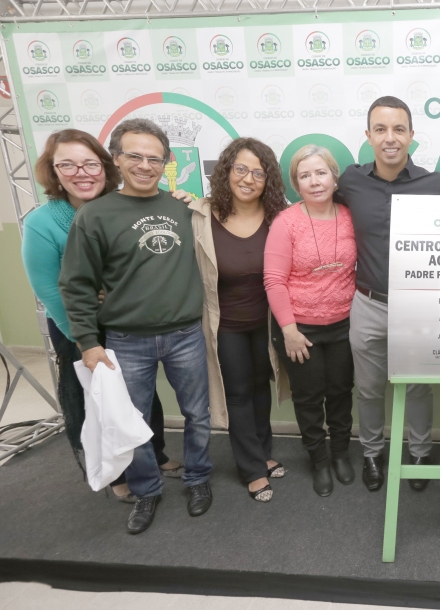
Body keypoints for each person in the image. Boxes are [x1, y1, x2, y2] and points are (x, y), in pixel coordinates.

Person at [59, 118, 213, 535]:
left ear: (167, 162)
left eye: (155, 159)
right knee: (134, 422)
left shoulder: (184, 208)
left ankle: (199, 478)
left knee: (198, 414)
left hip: (186, 335)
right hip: (126, 341)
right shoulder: (94, 215)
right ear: (116, 158)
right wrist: (88, 343)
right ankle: (147, 490)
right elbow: (76, 284)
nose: (145, 165)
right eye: (135, 156)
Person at [22, 129, 186, 501]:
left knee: (141, 399)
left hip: (127, 323)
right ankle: (117, 475)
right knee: (100, 404)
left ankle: (155, 454)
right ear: (53, 171)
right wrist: (86, 340)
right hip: (80, 329)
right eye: (68, 165)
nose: (82, 173)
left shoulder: (125, 205)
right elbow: (50, 289)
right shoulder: (42, 223)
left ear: (106, 165)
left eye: (90, 164)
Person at [336, 96, 440, 492]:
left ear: (411, 135)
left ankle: (420, 453)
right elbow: (313, 207)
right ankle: (371, 452)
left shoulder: (435, 185)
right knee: (369, 388)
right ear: (368, 136)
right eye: (381, 129)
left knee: (417, 386)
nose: (390, 138)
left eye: (399, 129)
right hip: (368, 304)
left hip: (418, 307)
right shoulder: (351, 181)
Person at [189, 137, 290, 503]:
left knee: (261, 388)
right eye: (241, 169)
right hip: (225, 324)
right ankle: (251, 469)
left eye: (258, 173)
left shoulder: (279, 217)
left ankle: (262, 451)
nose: (248, 179)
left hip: (266, 323)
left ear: (269, 179)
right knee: (238, 394)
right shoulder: (201, 215)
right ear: (226, 171)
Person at [265, 145, 357, 497]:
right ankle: (319, 460)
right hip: (299, 329)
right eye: (305, 175)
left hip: (344, 325)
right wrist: (288, 330)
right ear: (296, 184)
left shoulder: (350, 216)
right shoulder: (286, 222)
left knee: (340, 394)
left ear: (334, 177)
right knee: (308, 398)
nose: (314, 181)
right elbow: (274, 280)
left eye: (321, 173)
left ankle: (340, 453)